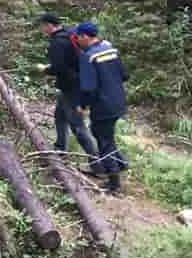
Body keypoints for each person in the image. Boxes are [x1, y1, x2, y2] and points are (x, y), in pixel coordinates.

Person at [35, 13, 100, 171]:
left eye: (43, 26)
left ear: (49, 25)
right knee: (60, 117)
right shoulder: (70, 35)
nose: (42, 29)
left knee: (78, 127)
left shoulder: (58, 42)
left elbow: (59, 67)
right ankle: (60, 150)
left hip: (73, 89)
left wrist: (45, 69)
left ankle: (97, 164)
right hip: (72, 86)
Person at [73, 22, 130, 195]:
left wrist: (83, 106)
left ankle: (114, 184)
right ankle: (121, 163)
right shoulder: (111, 50)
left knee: (103, 140)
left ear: (85, 37)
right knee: (105, 135)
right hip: (118, 101)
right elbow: (124, 75)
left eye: (78, 37)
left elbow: (88, 88)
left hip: (103, 106)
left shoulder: (88, 57)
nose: (76, 40)